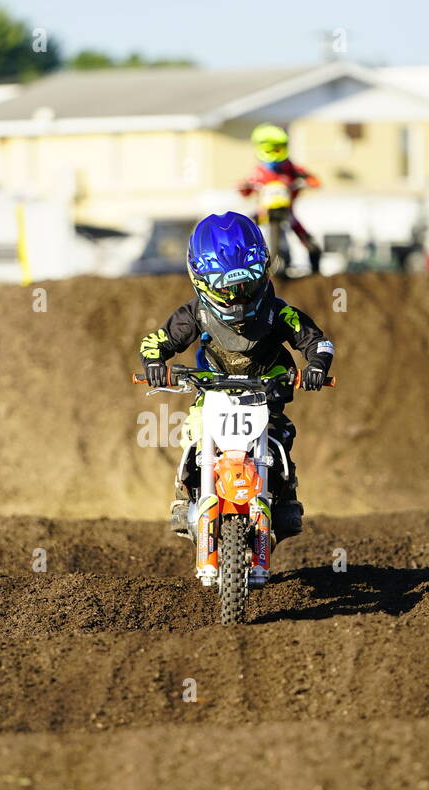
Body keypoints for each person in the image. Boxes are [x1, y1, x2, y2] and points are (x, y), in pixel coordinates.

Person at [138, 211, 335, 541]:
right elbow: (156, 341)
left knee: (281, 438)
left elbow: (318, 342)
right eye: (228, 287)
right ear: (203, 281)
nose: (238, 296)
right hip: (212, 391)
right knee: (194, 437)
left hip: (267, 393)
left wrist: (315, 367)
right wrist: (155, 363)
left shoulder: (277, 311)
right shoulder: (196, 313)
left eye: (247, 283)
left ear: (263, 271)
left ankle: (285, 497)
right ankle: (186, 496)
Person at [238, 123, 322, 276]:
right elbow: (245, 190)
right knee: (243, 231)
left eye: (276, 148)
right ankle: (243, 265)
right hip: (263, 211)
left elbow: (313, 179)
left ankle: (316, 270)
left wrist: (308, 181)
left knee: (309, 241)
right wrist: (243, 187)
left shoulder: (290, 168)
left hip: (287, 211)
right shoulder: (259, 172)